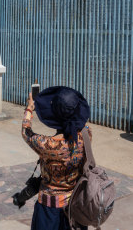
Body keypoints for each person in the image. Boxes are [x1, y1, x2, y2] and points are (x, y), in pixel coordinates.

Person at [22, 86, 90, 230]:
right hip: (74, 207)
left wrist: (29, 108)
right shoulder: (86, 136)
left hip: (48, 209)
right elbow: (82, 123)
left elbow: (25, 131)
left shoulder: (46, 145)